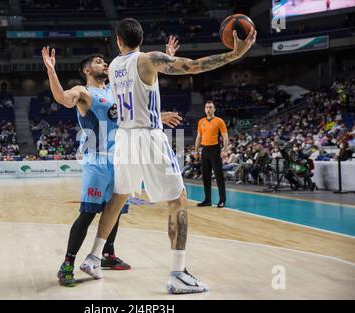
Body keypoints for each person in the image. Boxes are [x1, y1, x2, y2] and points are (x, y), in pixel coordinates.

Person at [80, 18, 256, 294]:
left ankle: (93, 257)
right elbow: (194, 66)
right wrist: (235, 53)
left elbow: (138, 87)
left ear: (118, 41)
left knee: (119, 196)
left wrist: (165, 61)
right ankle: (177, 274)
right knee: (178, 200)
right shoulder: (150, 59)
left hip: (124, 138)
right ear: (141, 38)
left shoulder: (113, 67)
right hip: (148, 137)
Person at [41, 38, 182, 287]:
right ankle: (67, 264)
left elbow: (131, 115)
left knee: (114, 212)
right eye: (98, 62)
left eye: (104, 61)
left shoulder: (115, 90)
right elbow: (63, 98)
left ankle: (106, 255)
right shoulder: (84, 92)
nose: (104, 64)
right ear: (87, 70)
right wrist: (51, 70)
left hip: (121, 157)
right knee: (88, 214)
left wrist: (159, 114)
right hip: (97, 161)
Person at [194, 101, 228, 207]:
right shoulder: (201, 122)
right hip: (205, 150)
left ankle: (222, 200)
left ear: (214, 109)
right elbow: (199, 136)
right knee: (206, 176)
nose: (208, 109)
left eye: (210, 107)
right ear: (204, 109)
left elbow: (225, 136)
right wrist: (196, 150)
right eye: (207, 107)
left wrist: (225, 150)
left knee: (219, 176)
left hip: (215, 150)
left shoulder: (219, 121)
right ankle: (207, 200)